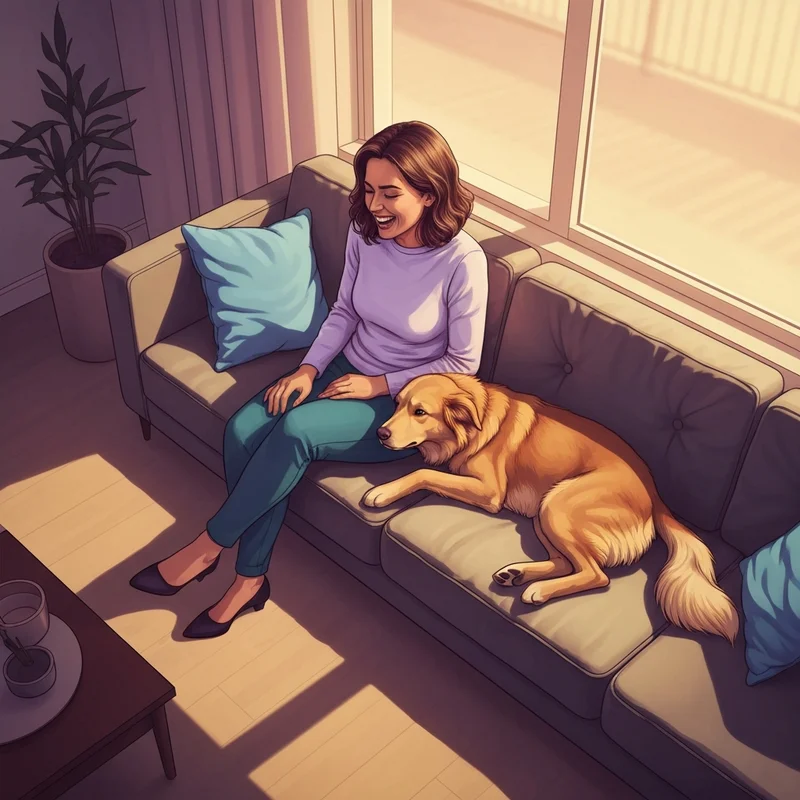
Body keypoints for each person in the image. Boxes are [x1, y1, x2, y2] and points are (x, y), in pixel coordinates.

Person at [130, 121, 490, 639]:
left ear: (430, 195)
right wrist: (309, 368)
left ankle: (207, 547)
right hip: (344, 370)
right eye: (368, 190)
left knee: (296, 432)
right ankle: (251, 580)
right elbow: (343, 311)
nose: (375, 206)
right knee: (243, 429)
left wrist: (378, 385)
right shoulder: (367, 234)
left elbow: (462, 365)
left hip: (404, 405)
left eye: (391, 194)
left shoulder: (462, 261)